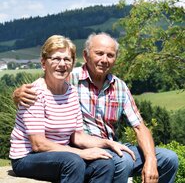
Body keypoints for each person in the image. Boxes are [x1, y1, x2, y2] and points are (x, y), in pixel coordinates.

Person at [13, 32, 178, 183]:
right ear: (85, 56)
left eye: (110, 55)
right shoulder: (70, 78)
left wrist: (151, 160)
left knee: (169, 158)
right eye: (99, 53)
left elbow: (140, 127)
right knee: (121, 161)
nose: (104, 59)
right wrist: (18, 94)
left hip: (108, 144)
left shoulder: (118, 87)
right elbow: (47, 80)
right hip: (79, 150)